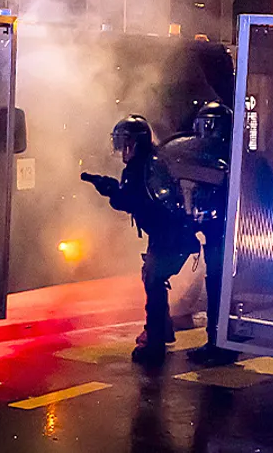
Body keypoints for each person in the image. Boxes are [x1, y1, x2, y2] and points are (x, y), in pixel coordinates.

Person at [82, 115, 198, 364]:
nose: (121, 148)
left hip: (170, 233)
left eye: (125, 142)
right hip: (168, 232)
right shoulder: (152, 162)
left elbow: (133, 201)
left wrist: (110, 189)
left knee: (154, 280)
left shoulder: (144, 167)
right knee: (152, 277)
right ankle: (162, 329)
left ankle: (154, 342)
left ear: (136, 142)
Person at [164, 102, 240, 366]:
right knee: (216, 284)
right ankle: (216, 341)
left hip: (227, 234)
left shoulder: (230, 159)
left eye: (208, 125)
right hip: (216, 232)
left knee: (220, 287)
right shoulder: (216, 157)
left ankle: (222, 345)